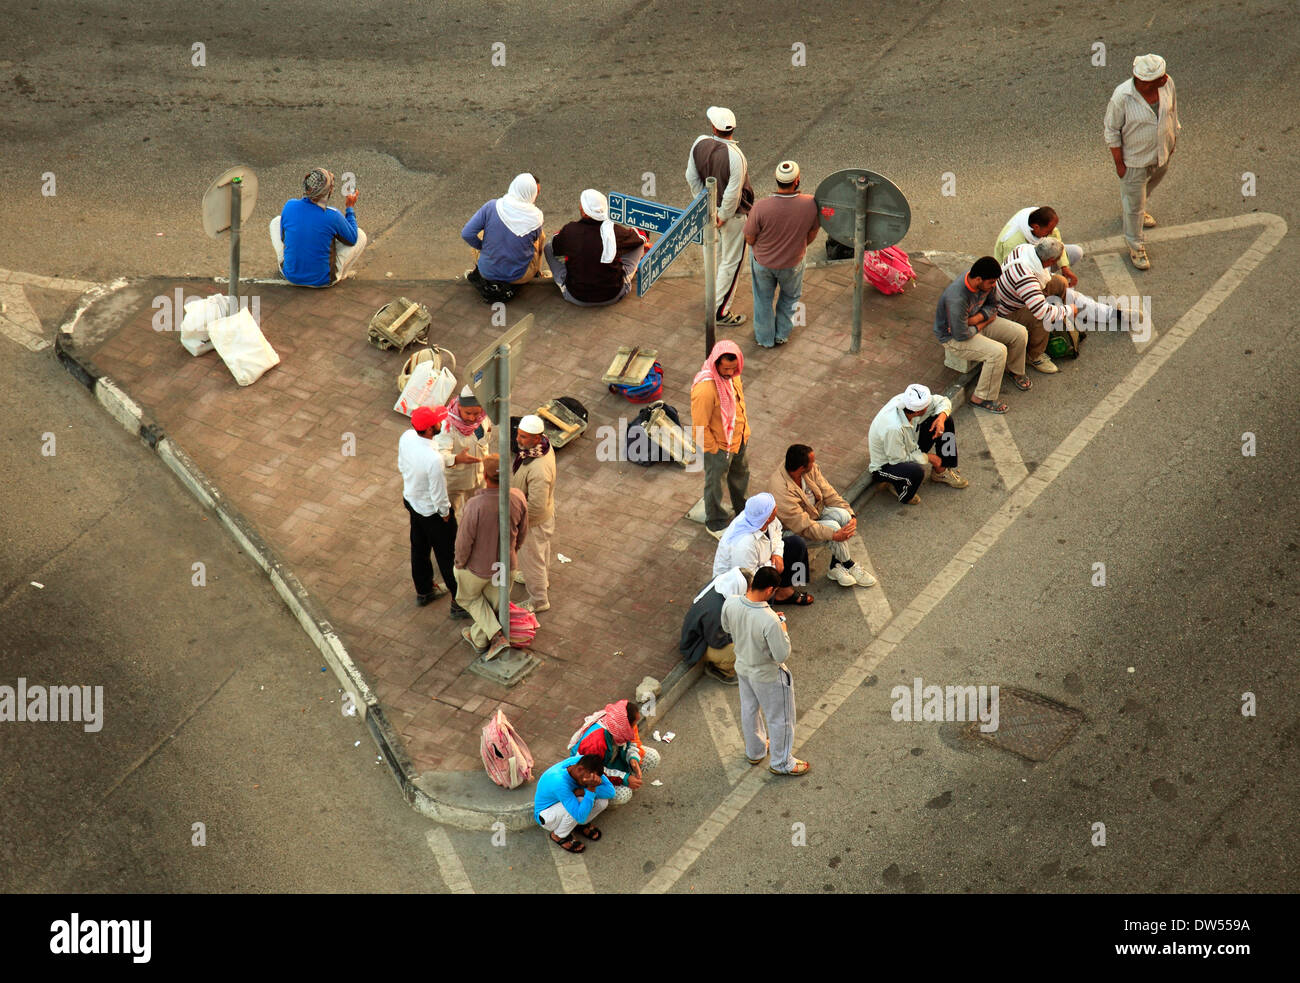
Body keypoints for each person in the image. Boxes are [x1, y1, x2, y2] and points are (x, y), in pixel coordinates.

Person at [721, 566, 808, 776]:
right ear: (770, 589)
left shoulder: (731, 602)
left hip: (743, 667)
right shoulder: (770, 619)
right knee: (781, 718)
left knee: (749, 709)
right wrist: (783, 628)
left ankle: (755, 751)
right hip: (768, 675)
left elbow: (726, 628)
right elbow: (781, 654)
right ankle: (782, 762)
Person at [996, 239, 1128, 372]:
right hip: (1008, 311)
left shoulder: (1025, 249)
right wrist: (1069, 310)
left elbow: (1045, 279)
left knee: (1060, 282)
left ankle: (1065, 323)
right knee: (1044, 318)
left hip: (1019, 296)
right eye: (1058, 260)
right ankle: (1034, 356)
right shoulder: (1026, 278)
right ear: (1050, 261)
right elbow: (1043, 312)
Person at [1104, 54, 1180, 270]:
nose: (1165, 78)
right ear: (1145, 82)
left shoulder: (1168, 84)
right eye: (1160, 77)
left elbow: (1173, 111)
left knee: (1145, 191)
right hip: (1134, 161)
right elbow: (1111, 130)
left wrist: (1174, 137)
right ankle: (1135, 245)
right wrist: (1119, 164)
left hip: (1161, 153)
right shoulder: (1122, 97)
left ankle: (1133, 207)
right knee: (1134, 207)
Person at [453, 455, 528, 660]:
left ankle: (495, 636)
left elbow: (463, 542)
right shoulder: (518, 497)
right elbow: (522, 532)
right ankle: (478, 638)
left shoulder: (475, 505)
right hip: (505, 566)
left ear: (485, 476)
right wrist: (514, 551)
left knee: (467, 597)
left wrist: (460, 563)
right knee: (494, 605)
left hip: (478, 568)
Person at [933, 256, 1030, 415]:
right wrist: (981, 323)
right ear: (978, 279)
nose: (994, 285)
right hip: (954, 338)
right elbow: (961, 334)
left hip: (975, 324)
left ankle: (1014, 370)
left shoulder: (986, 284)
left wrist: (977, 320)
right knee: (997, 353)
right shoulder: (957, 298)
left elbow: (994, 306)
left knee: (1020, 333)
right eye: (991, 282)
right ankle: (981, 398)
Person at [397, 405, 469, 618]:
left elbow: (402, 465)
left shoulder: (407, 436)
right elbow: (438, 493)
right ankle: (459, 602)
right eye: (438, 422)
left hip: (411, 500)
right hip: (432, 513)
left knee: (418, 547)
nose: (441, 423)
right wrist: (445, 513)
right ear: (429, 429)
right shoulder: (433, 459)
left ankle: (424, 590)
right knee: (448, 556)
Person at [771, 444, 876, 588]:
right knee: (833, 528)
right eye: (811, 462)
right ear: (801, 467)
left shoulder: (809, 469)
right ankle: (849, 564)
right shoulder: (780, 490)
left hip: (815, 514)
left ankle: (835, 566)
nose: (814, 464)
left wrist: (851, 515)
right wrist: (834, 535)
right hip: (793, 531)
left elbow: (829, 493)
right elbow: (804, 526)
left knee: (843, 516)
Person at [686, 106, 754, 326]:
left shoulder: (699, 143)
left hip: (708, 212)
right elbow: (734, 193)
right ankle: (720, 312)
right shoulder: (736, 156)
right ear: (733, 128)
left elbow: (691, 177)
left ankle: (713, 297)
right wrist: (722, 215)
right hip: (733, 217)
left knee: (715, 258)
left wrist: (705, 205)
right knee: (731, 264)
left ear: (714, 127)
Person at [743, 160, 820, 348]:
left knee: (763, 299)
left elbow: (749, 238)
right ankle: (782, 334)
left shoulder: (761, 207)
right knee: (790, 297)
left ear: (776, 180)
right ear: (797, 180)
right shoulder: (811, 204)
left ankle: (764, 338)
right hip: (793, 263)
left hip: (763, 263)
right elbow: (811, 234)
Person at [868, 383, 968, 505]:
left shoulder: (908, 405)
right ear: (919, 411)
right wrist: (930, 458)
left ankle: (941, 472)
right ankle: (899, 487)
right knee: (916, 472)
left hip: (909, 444)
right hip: (888, 463)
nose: (930, 404)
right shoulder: (893, 428)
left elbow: (942, 401)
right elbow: (898, 458)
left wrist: (941, 419)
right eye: (927, 405)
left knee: (946, 420)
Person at [545, 190, 649, 306]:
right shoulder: (614, 231)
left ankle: (563, 283)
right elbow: (641, 237)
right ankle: (625, 279)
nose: (580, 207)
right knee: (638, 244)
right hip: (613, 294)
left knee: (548, 247)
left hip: (576, 296)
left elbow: (555, 246)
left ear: (585, 213)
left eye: (582, 205)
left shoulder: (570, 231)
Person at [691, 340, 751, 537]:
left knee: (740, 476)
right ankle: (715, 522)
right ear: (716, 364)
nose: (729, 372)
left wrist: (744, 433)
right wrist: (714, 448)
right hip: (719, 446)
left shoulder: (734, 377)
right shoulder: (705, 389)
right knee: (715, 484)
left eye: (734, 368)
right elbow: (699, 427)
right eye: (725, 368)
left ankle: (743, 512)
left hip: (739, 438)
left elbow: (739, 405)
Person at [270, 167, 368, 287]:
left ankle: (290, 267)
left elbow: (283, 238)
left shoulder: (289, 205)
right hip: (322, 281)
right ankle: (340, 275)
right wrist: (349, 208)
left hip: (290, 275)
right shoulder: (333, 215)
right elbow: (352, 239)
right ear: (327, 192)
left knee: (276, 221)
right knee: (360, 235)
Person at [713, 493, 813, 606]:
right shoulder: (744, 544)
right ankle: (767, 604)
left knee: (797, 544)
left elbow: (777, 531)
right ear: (767, 517)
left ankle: (784, 590)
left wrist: (778, 554)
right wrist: (774, 566)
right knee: (764, 583)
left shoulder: (765, 518)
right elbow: (748, 577)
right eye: (773, 507)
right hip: (742, 584)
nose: (776, 507)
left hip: (764, 561)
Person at [461, 173, 548, 298]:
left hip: (487, 272)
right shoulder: (535, 217)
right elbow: (533, 239)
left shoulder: (491, 206)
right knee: (541, 236)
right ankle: (536, 272)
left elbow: (467, 233)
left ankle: (482, 268)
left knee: (482, 233)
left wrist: (483, 247)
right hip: (520, 276)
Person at [566, 699, 661, 806]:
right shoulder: (595, 743)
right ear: (625, 727)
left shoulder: (621, 725)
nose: (635, 728)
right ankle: (590, 799)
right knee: (624, 794)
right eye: (633, 725)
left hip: (612, 762)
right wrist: (625, 779)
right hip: (593, 772)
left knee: (653, 757)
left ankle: (625, 778)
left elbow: (633, 742)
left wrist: (633, 758)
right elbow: (595, 771)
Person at [512, 414, 556, 614]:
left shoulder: (538, 468)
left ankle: (539, 601)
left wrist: (518, 520)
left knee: (532, 562)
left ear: (537, 438)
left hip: (533, 521)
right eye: (519, 435)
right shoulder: (540, 449)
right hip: (544, 517)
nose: (518, 440)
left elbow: (535, 505)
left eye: (523, 437)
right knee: (541, 554)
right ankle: (542, 580)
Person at [679, 567, 752, 684]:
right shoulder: (717, 609)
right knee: (742, 649)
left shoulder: (720, 583)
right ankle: (722, 671)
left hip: (703, 632)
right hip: (697, 645)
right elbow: (717, 642)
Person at [533, 753, 615, 854]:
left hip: (566, 801)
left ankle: (578, 825)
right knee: (579, 807)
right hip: (547, 814)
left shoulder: (587, 765)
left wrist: (582, 791)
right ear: (580, 769)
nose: (589, 782)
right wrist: (591, 788)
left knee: (602, 802)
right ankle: (558, 835)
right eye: (587, 782)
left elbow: (611, 792)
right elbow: (580, 816)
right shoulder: (559, 781)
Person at [435, 385, 493, 513]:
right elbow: (439, 454)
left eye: (476, 413)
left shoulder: (483, 419)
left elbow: (484, 442)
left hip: (478, 478)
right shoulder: (447, 426)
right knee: (448, 514)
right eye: (468, 413)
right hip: (454, 481)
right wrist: (456, 459)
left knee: (475, 512)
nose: (472, 418)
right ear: (459, 407)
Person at [993, 206, 1082, 287]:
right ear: (1036, 227)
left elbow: (1057, 243)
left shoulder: (1042, 223)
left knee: (1076, 252)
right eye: (1048, 231)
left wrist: (1064, 267)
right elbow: (1013, 272)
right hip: (1023, 272)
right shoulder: (1013, 242)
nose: (1051, 233)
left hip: (1040, 259)